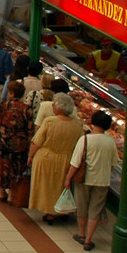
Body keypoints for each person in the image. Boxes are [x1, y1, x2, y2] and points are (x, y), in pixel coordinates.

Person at [29, 93, 85, 223]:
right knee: (61, 185)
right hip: (67, 159)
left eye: (54, 104)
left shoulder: (49, 121)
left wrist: (30, 156)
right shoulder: (77, 124)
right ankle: (62, 209)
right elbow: (80, 144)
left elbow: (37, 141)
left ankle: (50, 212)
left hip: (46, 157)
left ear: (59, 108)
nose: (52, 106)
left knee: (47, 186)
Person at [67, 111, 118, 251]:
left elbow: (75, 162)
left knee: (82, 207)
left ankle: (81, 234)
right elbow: (113, 163)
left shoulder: (85, 139)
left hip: (84, 179)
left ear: (93, 122)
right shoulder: (110, 142)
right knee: (95, 210)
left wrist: (68, 178)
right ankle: (89, 239)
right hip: (102, 180)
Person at [0, 81, 34, 206]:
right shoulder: (27, 109)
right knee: (17, 169)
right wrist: (30, 145)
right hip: (20, 144)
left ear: (12, 94)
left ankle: (2, 192)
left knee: (4, 166)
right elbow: (30, 129)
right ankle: (12, 195)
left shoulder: (4, 106)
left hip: (4, 141)